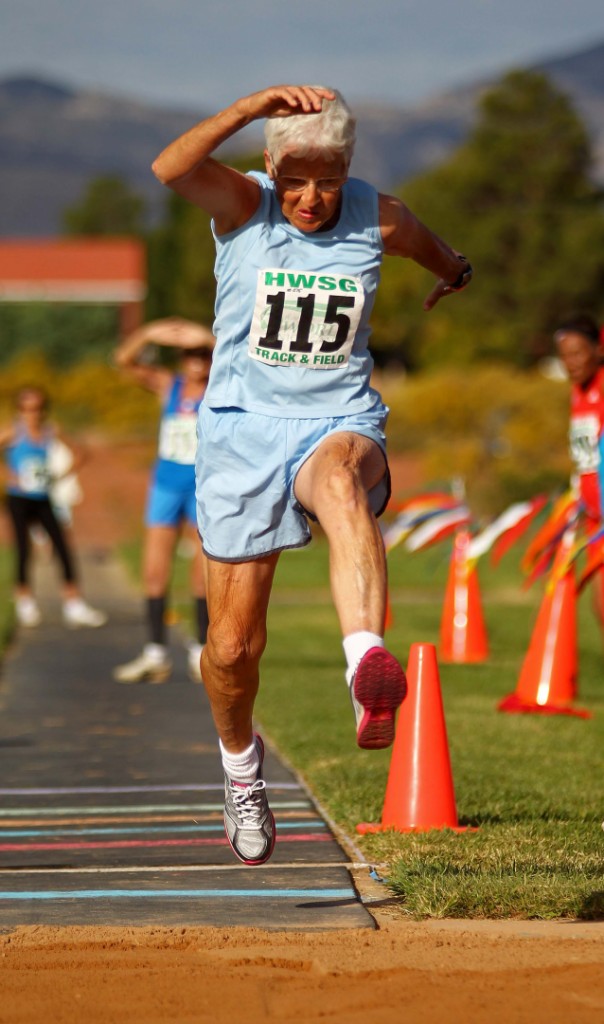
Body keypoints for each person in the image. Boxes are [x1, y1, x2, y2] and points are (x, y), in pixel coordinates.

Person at [152, 84, 472, 865]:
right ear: (269, 163)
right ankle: (240, 774)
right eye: (295, 178)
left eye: (327, 178)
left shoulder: (378, 214)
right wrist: (247, 107)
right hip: (239, 435)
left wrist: (454, 272)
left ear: (348, 167)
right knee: (232, 649)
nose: (310, 196)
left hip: (338, 420)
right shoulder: (244, 205)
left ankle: (366, 660)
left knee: (340, 484)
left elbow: (431, 244)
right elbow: (169, 169)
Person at [112, 317, 214, 684]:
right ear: (180, 358)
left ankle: (201, 650)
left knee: (202, 576)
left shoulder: (221, 385)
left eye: (202, 353)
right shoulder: (168, 386)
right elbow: (125, 361)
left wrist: (205, 335)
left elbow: (236, 354)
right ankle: (155, 652)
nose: (196, 360)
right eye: (189, 354)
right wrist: (149, 334)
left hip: (204, 488)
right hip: (166, 487)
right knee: (155, 573)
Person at [0, 385, 107, 629]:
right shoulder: (13, 432)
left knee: (62, 547)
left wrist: (60, 475)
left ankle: (73, 603)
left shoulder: (50, 431)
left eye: (37, 408)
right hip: (18, 498)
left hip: (43, 497)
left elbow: (80, 453)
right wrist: (8, 474)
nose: (32, 414)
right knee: (23, 549)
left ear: (44, 410)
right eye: (26, 408)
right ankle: (24, 600)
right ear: (19, 410)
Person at [554, 313, 604, 627]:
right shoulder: (578, 392)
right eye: (564, 357)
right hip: (594, 517)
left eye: (577, 353)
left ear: (598, 350)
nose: (570, 363)